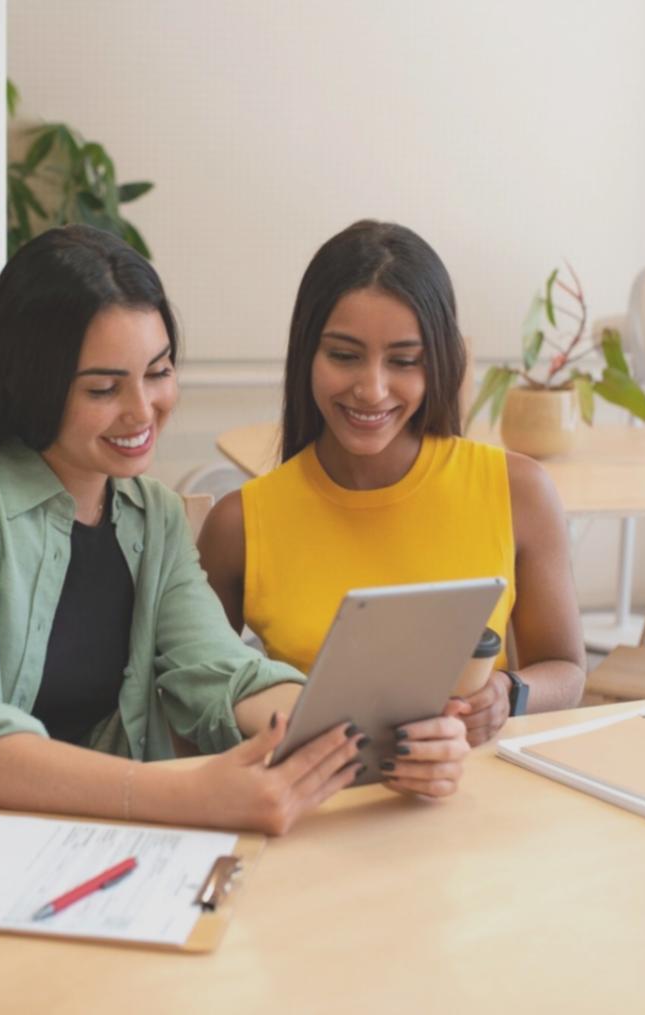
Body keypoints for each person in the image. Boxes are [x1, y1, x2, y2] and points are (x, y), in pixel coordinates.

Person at [0, 225, 470, 834]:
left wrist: (372, 734)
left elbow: (223, 673)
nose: (142, 409)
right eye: (102, 387)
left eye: (159, 371)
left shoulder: (154, 517)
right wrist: (188, 795)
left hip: (59, 842)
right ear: (35, 384)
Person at [198, 220, 585, 749]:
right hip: (313, 806)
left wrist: (507, 693)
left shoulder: (519, 492)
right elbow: (196, 696)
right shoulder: (239, 524)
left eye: (404, 361)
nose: (372, 389)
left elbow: (566, 670)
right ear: (307, 353)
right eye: (344, 355)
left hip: (475, 799)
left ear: (437, 363)